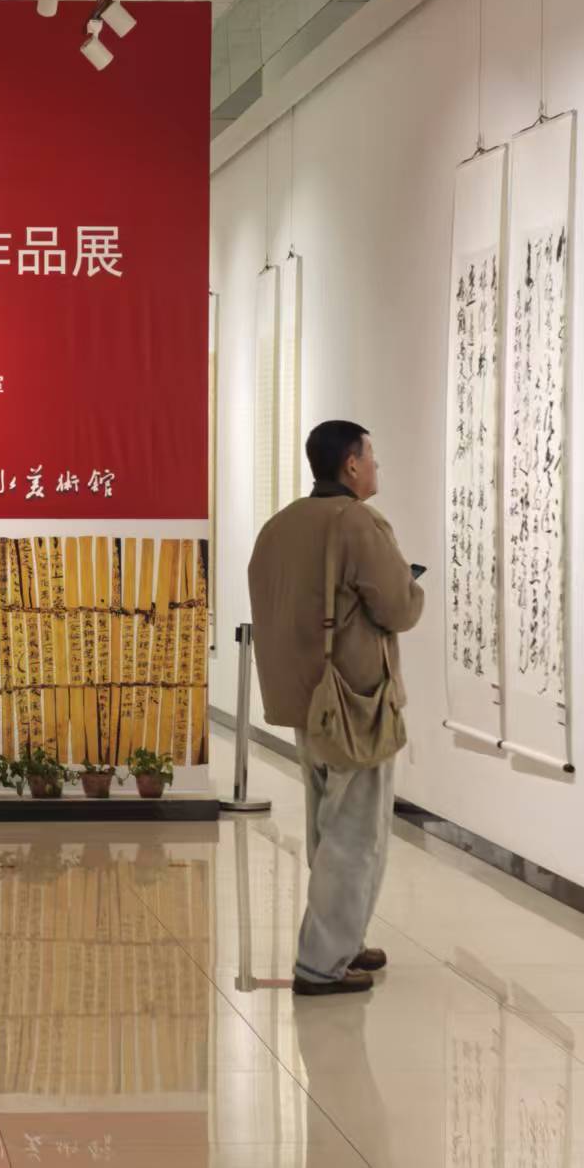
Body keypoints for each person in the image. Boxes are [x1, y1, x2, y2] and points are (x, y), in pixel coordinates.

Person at [247, 420, 424, 996]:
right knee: (355, 835)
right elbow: (398, 608)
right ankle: (322, 963)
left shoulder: (280, 526)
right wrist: (413, 586)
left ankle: (342, 939)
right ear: (351, 464)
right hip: (354, 703)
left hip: (305, 700)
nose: (376, 467)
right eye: (371, 457)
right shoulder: (357, 522)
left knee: (328, 827)